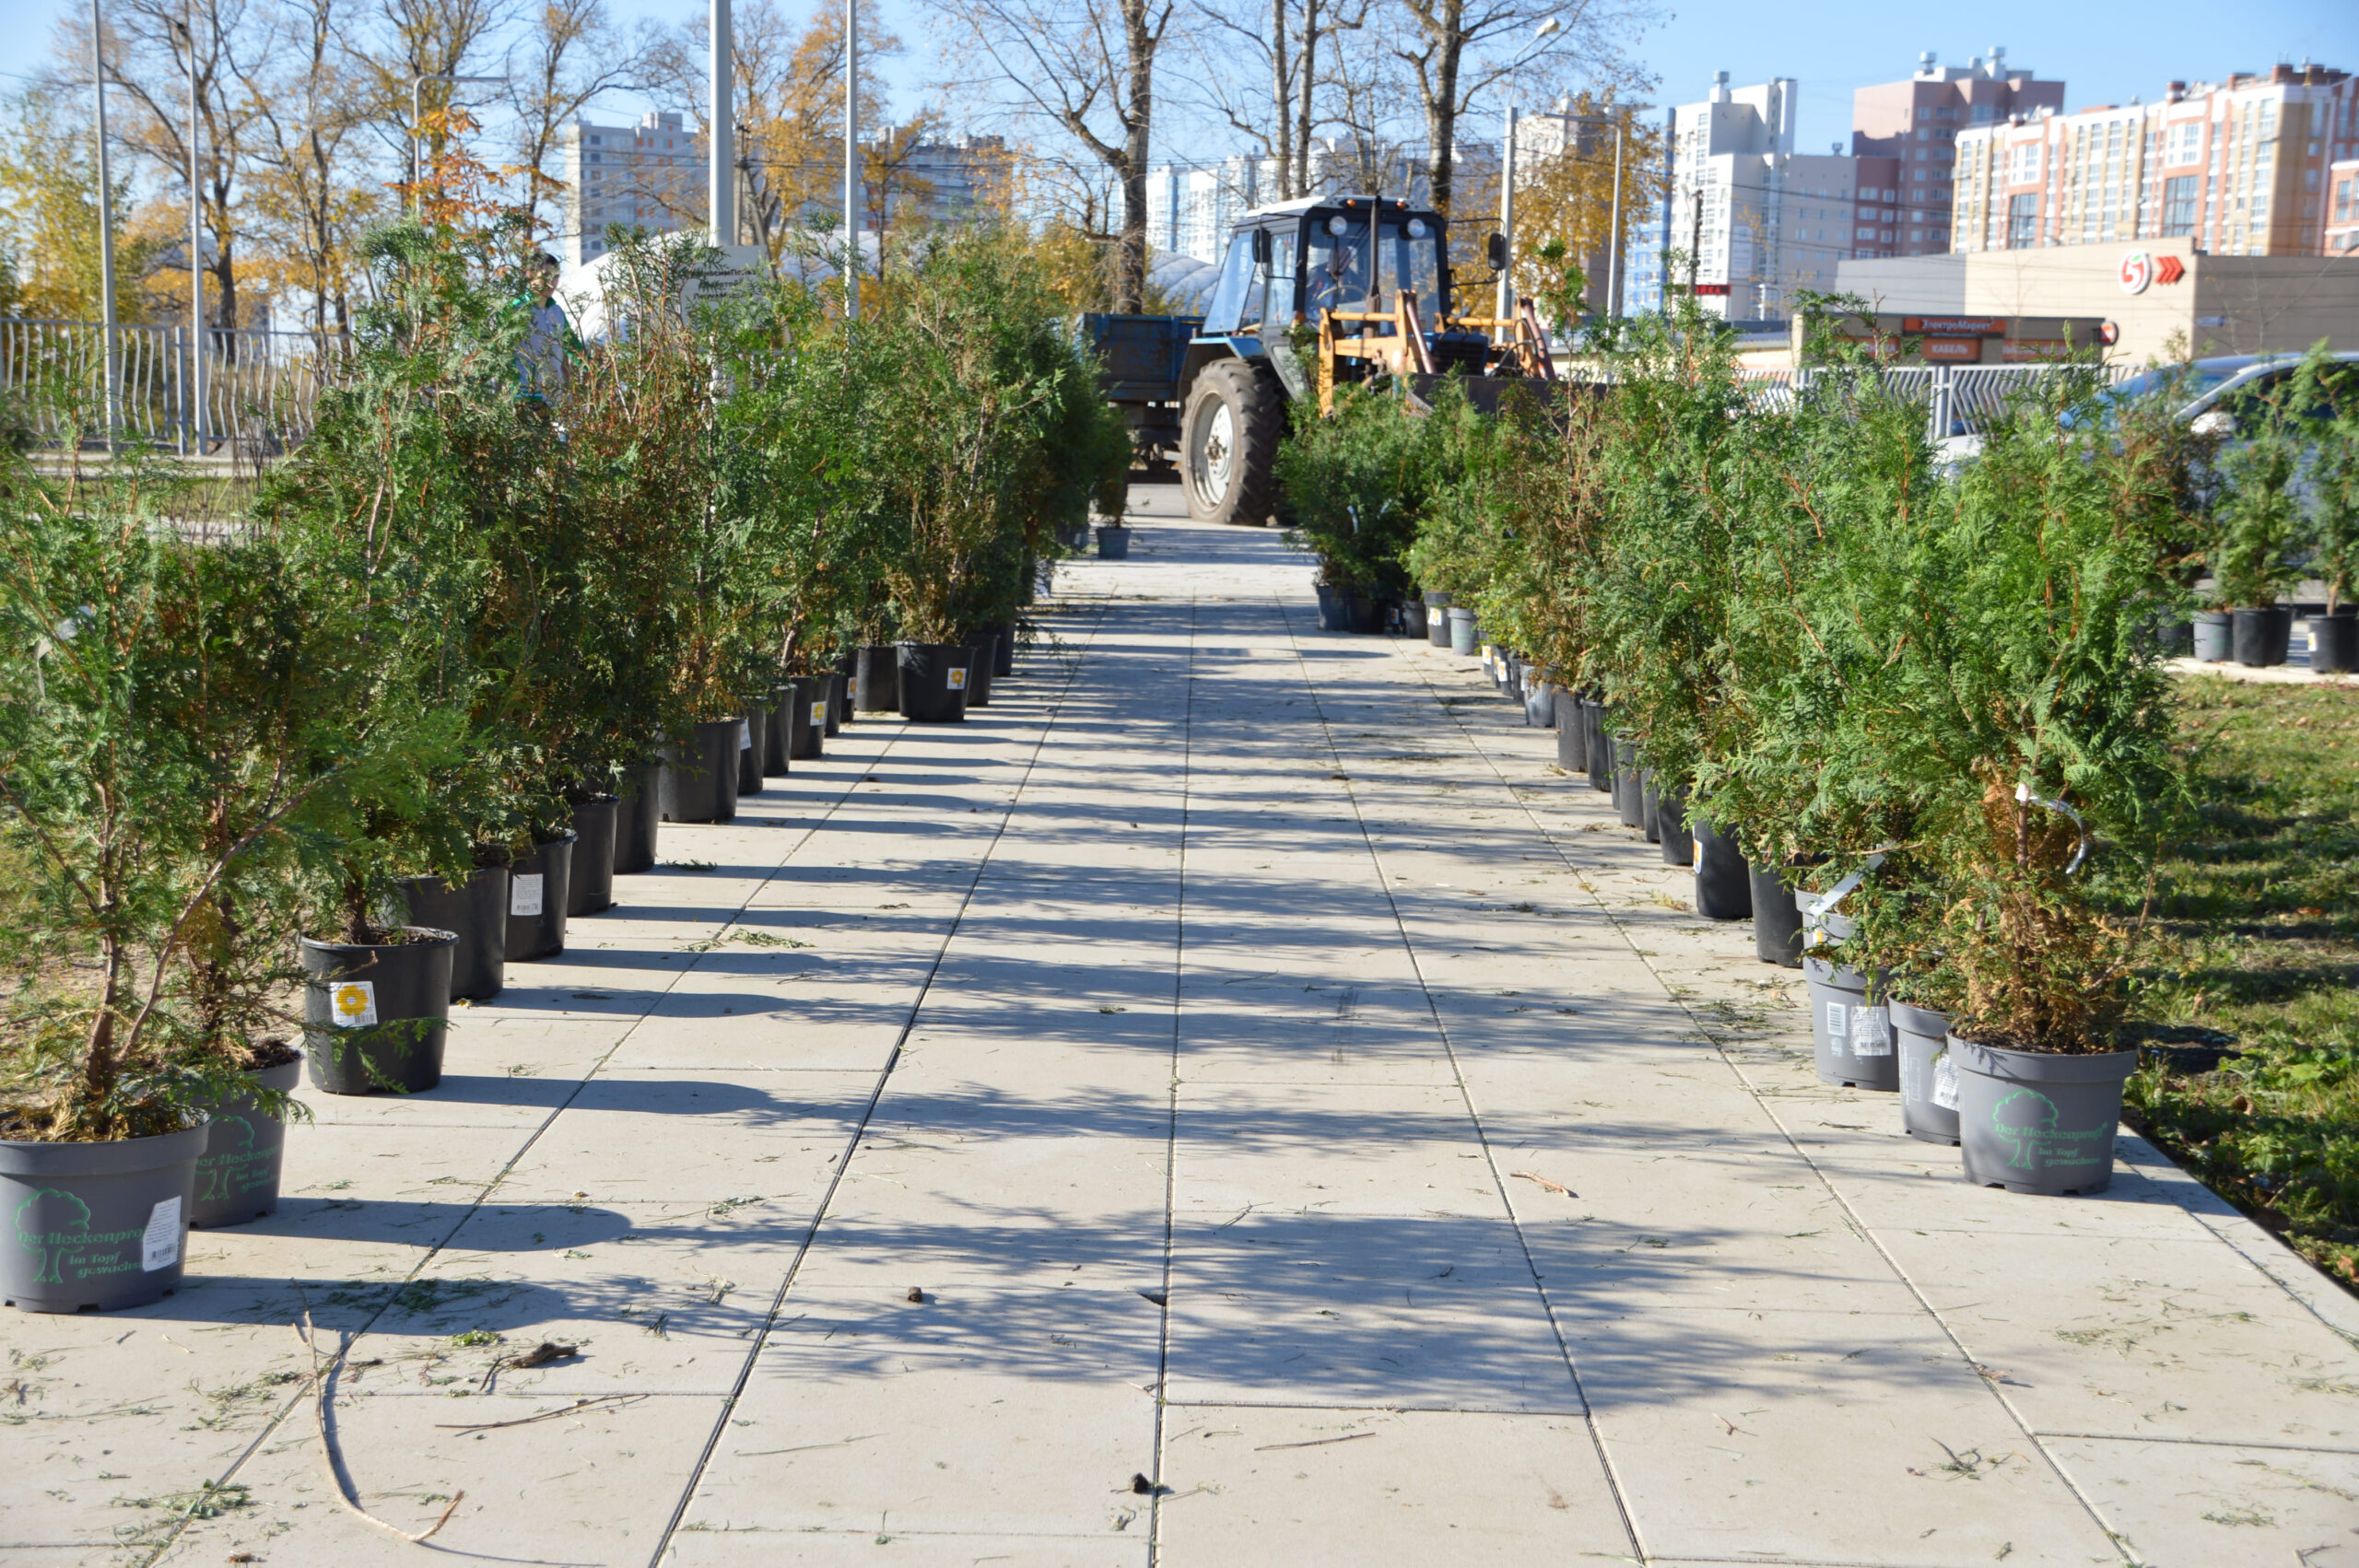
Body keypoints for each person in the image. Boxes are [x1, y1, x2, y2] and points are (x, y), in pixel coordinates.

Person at [512, 252, 580, 402]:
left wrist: (595, 369)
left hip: (555, 397)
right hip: (525, 397)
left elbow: (574, 348)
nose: (552, 282)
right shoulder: (516, 310)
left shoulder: (557, 312)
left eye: (556, 276)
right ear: (530, 274)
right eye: (547, 275)